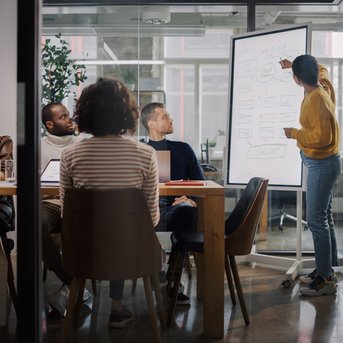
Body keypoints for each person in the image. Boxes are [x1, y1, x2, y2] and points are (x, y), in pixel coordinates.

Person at [59, 78, 160, 329]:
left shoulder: (70, 155)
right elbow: (152, 218)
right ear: (128, 113)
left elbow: (67, 214)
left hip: (85, 252)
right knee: (123, 230)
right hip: (133, 252)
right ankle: (117, 307)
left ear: (84, 114)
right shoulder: (146, 154)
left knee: (106, 231)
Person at [280, 55, 341, 296]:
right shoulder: (322, 83)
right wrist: (292, 65)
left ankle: (326, 280)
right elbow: (321, 68)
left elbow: (322, 138)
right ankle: (327, 269)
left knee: (316, 220)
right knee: (324, 217)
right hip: (322, 163)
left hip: (322, 164)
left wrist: (295, 133)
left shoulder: (317, 99)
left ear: (296, 79)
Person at [140, 102, 204, 305]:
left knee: (187, 212)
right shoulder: (139, 150)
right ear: (151, 123)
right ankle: (157, 271)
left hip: (174, 208)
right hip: (144, 210)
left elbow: (200, 182)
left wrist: (190, 198)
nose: (171, 119)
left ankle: (173, 280)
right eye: (165, 116)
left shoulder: (182, 149)